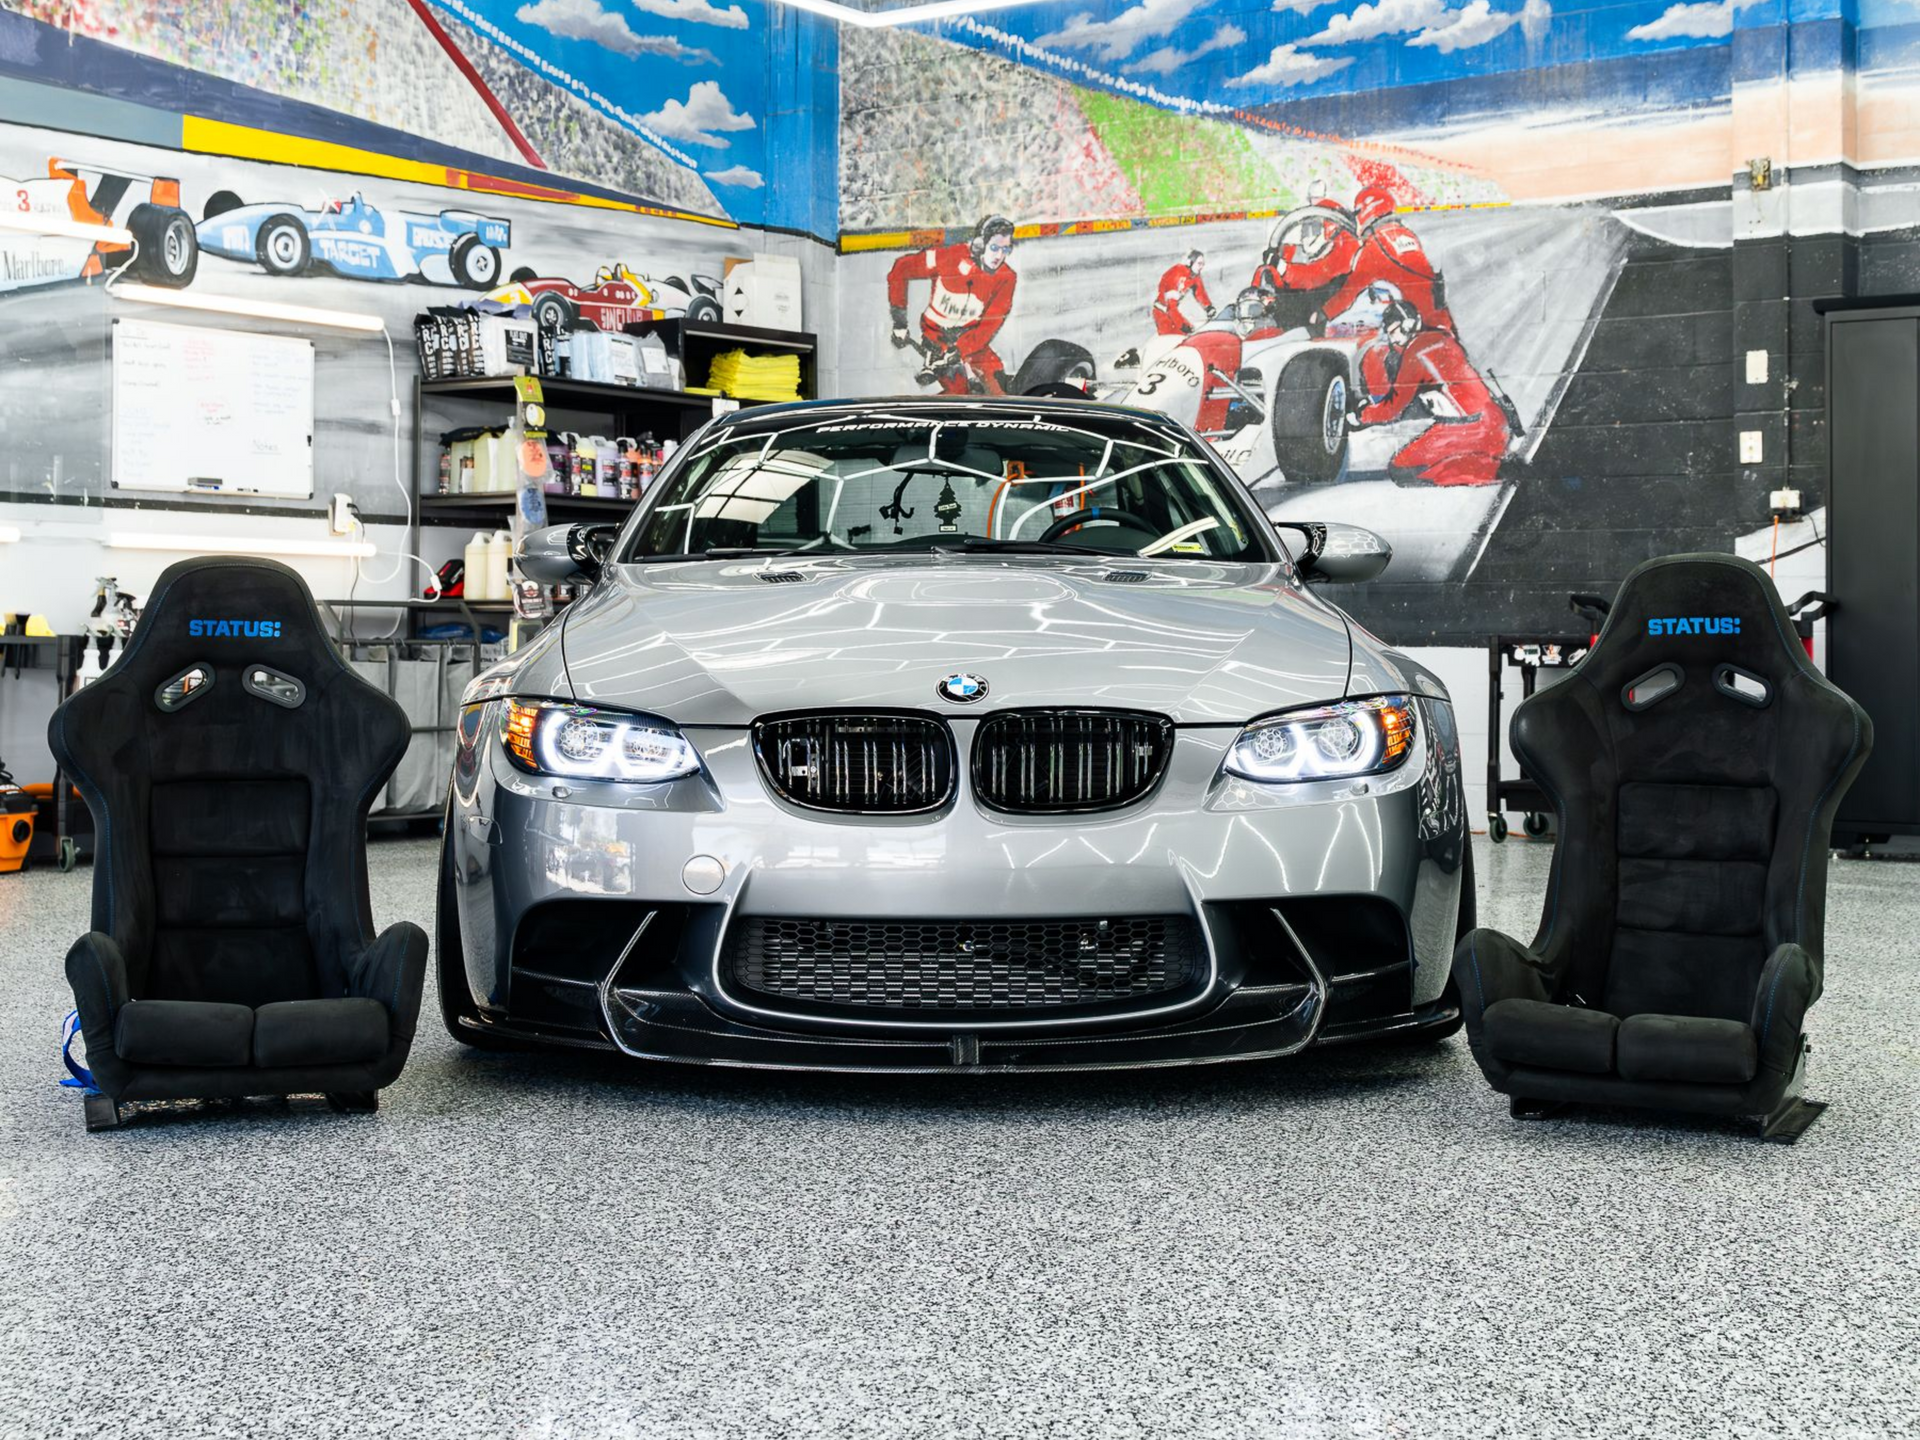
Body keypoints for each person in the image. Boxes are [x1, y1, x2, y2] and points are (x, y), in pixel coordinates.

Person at [1350, 299, 1508, 486]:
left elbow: (1391, 409)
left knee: (1402, 470)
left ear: (1409, 324)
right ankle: (1486, 460)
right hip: (1492, 422)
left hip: (1468, 429)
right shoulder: (1443, 338)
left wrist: (1362, 415)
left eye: (1394, 331)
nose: (1393, 339)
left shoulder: (1415, 353)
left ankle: (1491, 470)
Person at [887, 215, 1018, 395]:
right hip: (937, 337)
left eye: (1006, 249)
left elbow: (990, 325)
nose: (999, 256)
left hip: (972, 340)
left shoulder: (1006, 278)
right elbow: (901, 269)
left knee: (998, 385)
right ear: (980, 244)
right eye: (994, 248)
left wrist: (961, 350)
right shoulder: (948, 257)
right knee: (958, 393)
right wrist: (899, 322)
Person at [1317, 185, 1456, 335]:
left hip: (1418, 328)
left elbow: (1350, 291)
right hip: (1439, 320)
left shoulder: (1375, 244)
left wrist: (1323, 314)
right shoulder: (1406, 234)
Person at [1151, 249, 1212, 334]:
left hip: (1172, 313)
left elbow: (1199, 291)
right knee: (1173, 340)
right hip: (1162, 313)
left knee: (1183, 336)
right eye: (1199, 264)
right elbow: (1171, 307)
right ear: (1190, 262)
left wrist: (1208, 307)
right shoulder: (1177, 275)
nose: (1201, 267)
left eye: (1203, 264)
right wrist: (1183, 325)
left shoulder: (1194, 275)